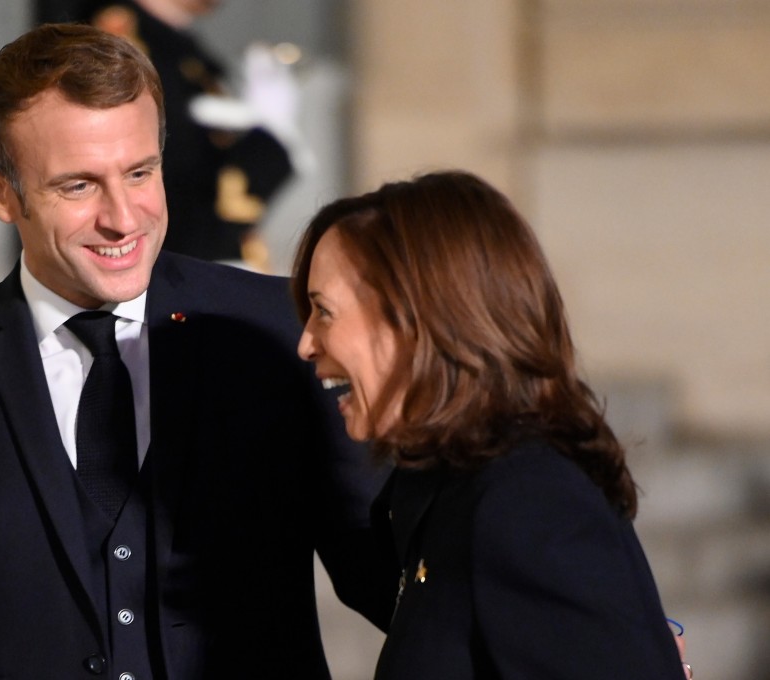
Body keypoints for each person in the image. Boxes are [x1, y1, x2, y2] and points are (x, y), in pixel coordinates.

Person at [0, 23, 395, 679]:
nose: (123, 218)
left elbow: (395, 580)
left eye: (140, 172)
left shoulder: (277, 329)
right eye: (77, 186)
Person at [291, 169, 692, 679]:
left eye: (324, 312)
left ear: (419, 318)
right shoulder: (440, 487)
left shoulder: (529, 502)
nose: (306, 343)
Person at [33, 0, 299, 270]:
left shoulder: (177, 44)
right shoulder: (123, 41)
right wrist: (269, 143)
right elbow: (167, 171)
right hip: (167, 268)